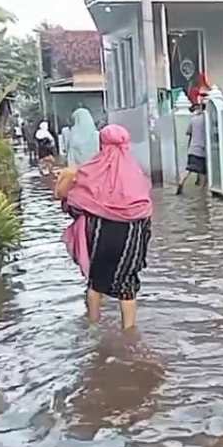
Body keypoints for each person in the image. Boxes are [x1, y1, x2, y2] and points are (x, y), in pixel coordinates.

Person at [55, 125, 153, 330]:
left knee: (96, 281)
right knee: (127, 283)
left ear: (101, 143)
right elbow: (145, 210)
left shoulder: (88, 171)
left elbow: (72, 203)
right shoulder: (136, 174)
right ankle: (129, 332)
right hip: (131, 234)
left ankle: (93, 327)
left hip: (99, 232)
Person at [176, 93, 208, 195]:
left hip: (192, 149)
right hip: (202, 150)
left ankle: (181, 183)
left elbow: (188, 133)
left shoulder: (194, 119)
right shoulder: (207, 120)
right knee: (203, 173)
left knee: (188, 169)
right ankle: (202, 193)